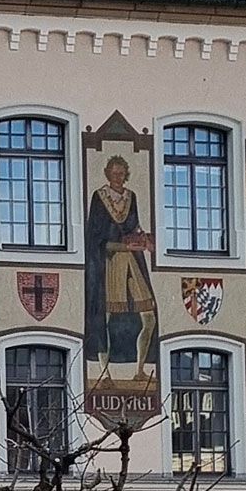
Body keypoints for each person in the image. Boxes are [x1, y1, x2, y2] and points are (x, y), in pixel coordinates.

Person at [83, 155, 158, 380]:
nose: (118, 177)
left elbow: (135, 225)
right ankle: (104, 373)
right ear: (107, 173)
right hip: (109, 262)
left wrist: (145, 239)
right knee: (104, 318)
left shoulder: (130, 197)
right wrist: (115, 245)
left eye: (121, 173)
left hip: (132, 262)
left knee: (149, 317)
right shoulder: (100, 196)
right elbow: (94, 234)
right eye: (114, 173)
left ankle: (140, 369)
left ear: (126, 174)